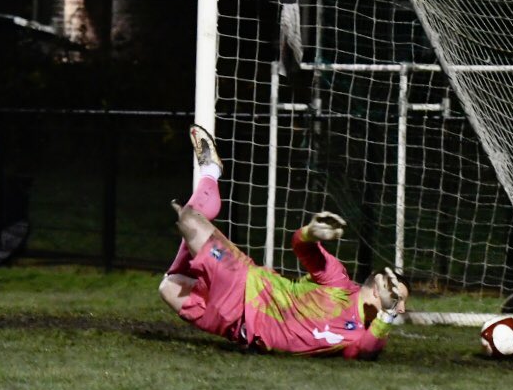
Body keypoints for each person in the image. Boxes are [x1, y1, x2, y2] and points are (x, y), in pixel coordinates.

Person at [158, 124, 408, 359]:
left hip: (237, 327)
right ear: (379, 287)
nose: (402, 309)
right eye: (400, 299)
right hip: (245, 286)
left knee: (169, 287)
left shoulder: (364, 335)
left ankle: (204, 203)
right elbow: (302, 246)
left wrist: (386, 313)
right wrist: (311, 232)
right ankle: (211, 172)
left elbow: (363, 353)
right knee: (189, 220)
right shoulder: (338, 282)